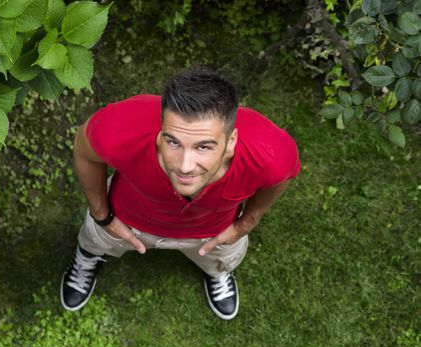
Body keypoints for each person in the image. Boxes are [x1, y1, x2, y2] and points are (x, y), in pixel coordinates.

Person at [60, 69, 300, 320]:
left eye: (204, 146)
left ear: (231, 141)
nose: (185, 165)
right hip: (125, 217)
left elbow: (282, 177)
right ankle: (87, 258)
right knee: (95, 241)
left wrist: (245, 224)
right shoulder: (121, 126)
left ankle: (217, 272)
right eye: (173, 142)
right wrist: (102, 216)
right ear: (162, 128)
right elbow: (84, 149)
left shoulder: (270, 151)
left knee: (221, 260)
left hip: (213, 233)